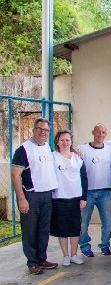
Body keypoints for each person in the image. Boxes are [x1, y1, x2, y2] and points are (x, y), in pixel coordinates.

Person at [11, 117, 59, 274]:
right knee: (30, 230)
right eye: (40, 129)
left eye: (46, 130)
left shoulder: (47, 148)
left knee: (44, 230)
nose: (43, 132)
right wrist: (21, 199)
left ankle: (41, 259)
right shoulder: (23, 150)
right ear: (33, 130)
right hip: (31, 196)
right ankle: (32, 262)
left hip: (47, 195)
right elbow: (15, 175)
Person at [50, 130, 87, 267]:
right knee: (62, 228)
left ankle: (74, 255)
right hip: (59, 198)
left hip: (75, 198)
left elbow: (84, 178)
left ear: (71, 142)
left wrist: (84, 198)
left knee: (75, 228)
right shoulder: (52, 157)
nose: (65, 143)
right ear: (57, 142)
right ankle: (65, 256)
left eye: (68, 140)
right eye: (62, 140)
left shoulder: (77, 158)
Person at [77, 123, 111, 257]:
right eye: (98, 132)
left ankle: (105, 245)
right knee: (83, 222)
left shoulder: (109, 149)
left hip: (105, 192)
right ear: (93, 132)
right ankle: (85, 246)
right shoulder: (83, 148)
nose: (101, 135)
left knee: (107, 222)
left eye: (103, 132)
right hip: (87, 193)